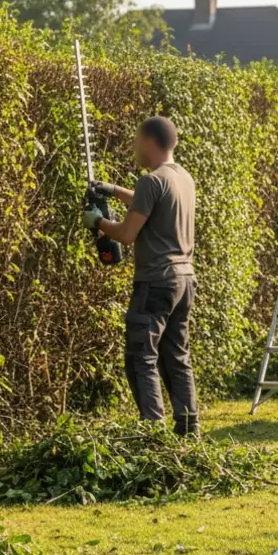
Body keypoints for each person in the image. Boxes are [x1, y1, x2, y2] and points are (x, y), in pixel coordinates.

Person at [85, 116, 199, 436]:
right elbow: (148, 202)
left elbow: (126, 233)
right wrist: (112, 190)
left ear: (149, 141)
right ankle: (189, 430)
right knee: (176, 357)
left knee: (141, 358)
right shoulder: (182, 178)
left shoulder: (152, 181)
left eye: (137, 139)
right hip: (184, 280)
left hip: (155, 281)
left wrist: (97, 222)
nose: (135, 145)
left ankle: (154, 433)